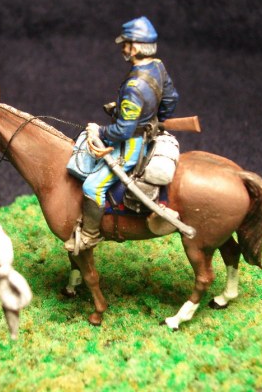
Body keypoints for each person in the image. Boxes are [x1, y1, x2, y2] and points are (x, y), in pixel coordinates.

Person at [64, 16, 179, 253]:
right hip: (148, 133)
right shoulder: (158, 66)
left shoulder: (134, 85)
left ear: (135, 48)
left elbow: (124, 130)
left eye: (125, 44)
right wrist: (151, 119)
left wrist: (99, 131)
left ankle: (89, 235)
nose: (123, 49)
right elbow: (170, 99)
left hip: (132, 145)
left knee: (92, 187)